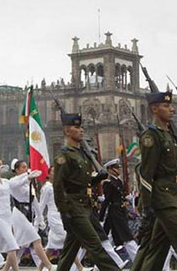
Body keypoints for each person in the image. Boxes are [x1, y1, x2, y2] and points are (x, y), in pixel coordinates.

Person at [132, 91, 177, 271]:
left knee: (158, 248)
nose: (172, 109)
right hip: (163, 199)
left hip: (174, 196)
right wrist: (147, 205)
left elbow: (171, 169)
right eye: (166, 106)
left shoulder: (171, 135)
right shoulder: (151, 136)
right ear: (155, 109)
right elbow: (146, 173)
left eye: (171, 105)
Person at [53, 111, 119, 271]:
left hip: (85, 206)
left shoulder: (81, 155)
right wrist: (64, 212)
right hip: (74, 208)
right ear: (67, 131)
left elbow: (81, 183)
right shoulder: (64, 156)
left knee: (69, 251)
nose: (81, 130)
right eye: (76, 127)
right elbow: (58, 185)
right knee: (96, 246)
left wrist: (97, 178)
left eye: (81, 127)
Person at [8, 158, 56, 271]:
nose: (26, 170)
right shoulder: (13, 181)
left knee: (18, 245)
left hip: (28, 213)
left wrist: (40, 217)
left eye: (26, 167)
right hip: (19, 213)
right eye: (23, 168)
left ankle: (6, 268)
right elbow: (16, 184)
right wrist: (28, 177)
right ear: (16, 170)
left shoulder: (28, 183)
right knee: (36, 240)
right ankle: (49, 266)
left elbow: (33, 199)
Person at [98, 158, 139, 262]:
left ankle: (102, 264)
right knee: (126, 237)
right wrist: (101, 217)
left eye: (118, 167)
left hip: (119, 212)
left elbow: (121, 198)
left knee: (109, 239)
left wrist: (126, 206)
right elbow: (107, 201)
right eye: (116, 167)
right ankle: (138, 260)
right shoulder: (108, 183)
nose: (118, 169)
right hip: (114, 212)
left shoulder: (118, 181)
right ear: (110, 169)